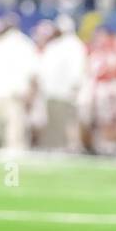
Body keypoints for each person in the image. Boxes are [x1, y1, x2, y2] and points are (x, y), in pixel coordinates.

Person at [0, 16, 38, 153]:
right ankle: (12, 152)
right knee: (13, 133)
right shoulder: (26, 44)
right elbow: (33, 72)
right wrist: (30, 92)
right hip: (14, 92)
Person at [39, 16, 87, 151]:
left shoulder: (74, 45)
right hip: (52, 90)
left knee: (68, 121)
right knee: (54, 121)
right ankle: (56, 145)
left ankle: (71, 146)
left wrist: (75, 87)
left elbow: (77, 69)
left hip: (65, 90)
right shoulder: (55, 45)